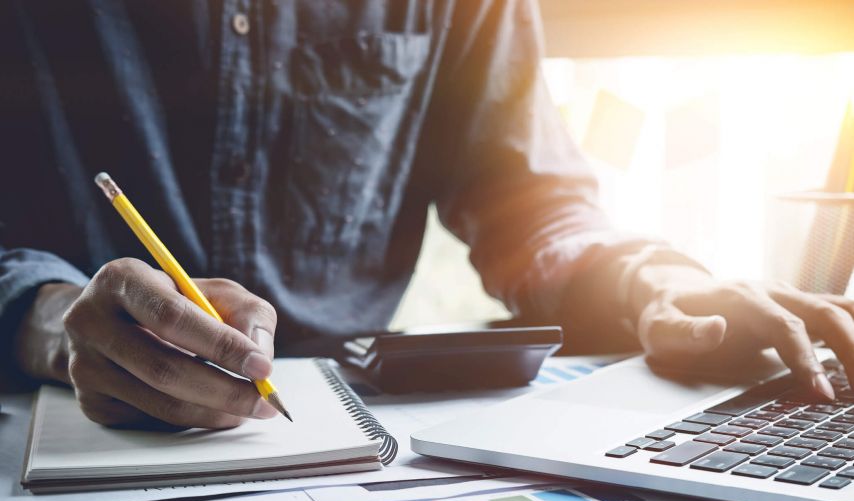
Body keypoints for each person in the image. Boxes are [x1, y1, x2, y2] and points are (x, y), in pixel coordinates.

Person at [1, 0, 850, 430]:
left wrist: (652, 282)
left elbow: (529, 202)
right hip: (50, 416)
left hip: (353, 431)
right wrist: (46, 320)